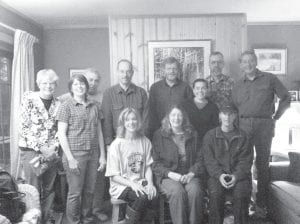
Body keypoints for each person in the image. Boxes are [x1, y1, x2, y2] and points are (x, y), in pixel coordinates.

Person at [232, 50, 291, 218]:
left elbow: (286, 98)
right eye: (244, 61)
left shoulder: (270, 78)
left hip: (264, 124)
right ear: (241, 65)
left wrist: (276, 117)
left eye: (251, 60)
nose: (248, 64)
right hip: (243, 126)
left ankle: (261, 205)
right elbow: (234, 107)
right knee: (243, 164)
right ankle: (245, 204)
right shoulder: (237, 84)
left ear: (256, 62)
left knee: (262, 165)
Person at [59, 68, 108, 221]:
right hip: (75, 155)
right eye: (76, 84)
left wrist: (102, 157)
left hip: (93, 155)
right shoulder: (66, 106)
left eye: (82, 84)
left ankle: (86, 218)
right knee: (75, 192)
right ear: (71, 88)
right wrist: (70, 158)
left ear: (87, 87)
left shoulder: (95, 106)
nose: (79, 87)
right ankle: (74, 220)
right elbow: (61, 134)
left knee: (89, 190)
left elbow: (99, 132)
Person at [19, 69, 60, 222]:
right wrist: (43, 148)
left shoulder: (58, 103)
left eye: (51, 83)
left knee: (49, 188)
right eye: (44, 83)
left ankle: (46, 217)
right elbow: (24, 127)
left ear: (55, 85)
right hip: (31, 150)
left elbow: (59, 130)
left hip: (51, 152)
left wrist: (53, 149)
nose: (48, 86)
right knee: (33, 188)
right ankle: (33, 219)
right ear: (38, 83)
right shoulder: (28, 98)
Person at [152, 105, 206, 224]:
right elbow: (155, 163)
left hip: (189, 174)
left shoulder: (193, 134)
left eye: (179, 115)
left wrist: (192, 173)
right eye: (173, 115)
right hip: (168, 176)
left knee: (195, 191)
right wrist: (170, 174)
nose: (176, 118)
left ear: (184, 117)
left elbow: (200, 159)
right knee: (178, 192)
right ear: (168, 118)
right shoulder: (159, 135)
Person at [202, 103, 253, 224]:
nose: (227, 117)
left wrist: (236, 176)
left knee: (241, 195)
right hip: (216, 176)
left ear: (235, 116)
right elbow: (209, 161)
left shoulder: (244, 136)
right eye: (224, 114)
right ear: (220, 115)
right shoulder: (210, 136)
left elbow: (246, 161)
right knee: (215, 194)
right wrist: (219, 175)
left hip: (240, 177)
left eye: (230, 114)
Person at [105, 108, 157, 224]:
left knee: (153, 195)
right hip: (121, 186)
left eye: (134, 119)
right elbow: (113, 176)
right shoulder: (116, 145)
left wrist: (150, 183)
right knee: (141, 197)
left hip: (140, 182)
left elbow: (148, 166)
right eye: (127, 120)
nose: (131, 122)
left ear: (138, 121)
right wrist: (132, 184)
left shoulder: (145, 141)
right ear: (123, 123)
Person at [101, 59, 149, 147]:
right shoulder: (108, 94)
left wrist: (142, 140)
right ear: (117, 72)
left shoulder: (141, 93)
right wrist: (109, 143)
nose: (125, 75)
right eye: (122, 71)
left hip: (137, 141)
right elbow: (106, 121)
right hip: (116, 142)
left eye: (128, 72)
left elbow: (146, 120)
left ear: (132, 73)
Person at [148, 57, 194, 139]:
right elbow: (151, 112)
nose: (172, 71)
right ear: (164, 70)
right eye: (168, 68)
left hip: (180, 132)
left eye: (174, 69)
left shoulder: (185, 87)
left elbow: (190, 112)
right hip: (159, 132)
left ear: (178, 70)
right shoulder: (155, 88)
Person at [181, 78, 219, 144]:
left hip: (207, 142)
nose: (200, 91)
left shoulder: (213, 107)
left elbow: (215, 128)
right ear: (193, 90)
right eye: (197, 88)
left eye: (203, 88)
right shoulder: (184, 105)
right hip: (188, 142)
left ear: (207, 89)